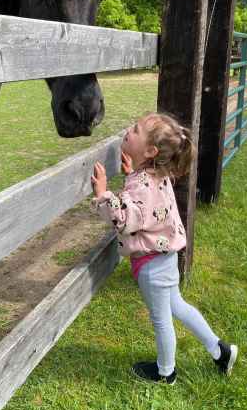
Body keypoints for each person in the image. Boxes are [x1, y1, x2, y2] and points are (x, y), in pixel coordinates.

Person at [91, 112, 237, 385]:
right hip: (164, 258)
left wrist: (102, 195)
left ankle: (165, 372)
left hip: (151, 266)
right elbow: (144, 203)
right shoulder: (155, 174)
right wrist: (131, 173)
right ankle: (220, 350)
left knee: (161, 319)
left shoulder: (143, 185)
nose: (128, 130)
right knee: (177, 306)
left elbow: (125, 220)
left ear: (150, 150)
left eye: (135, 129)